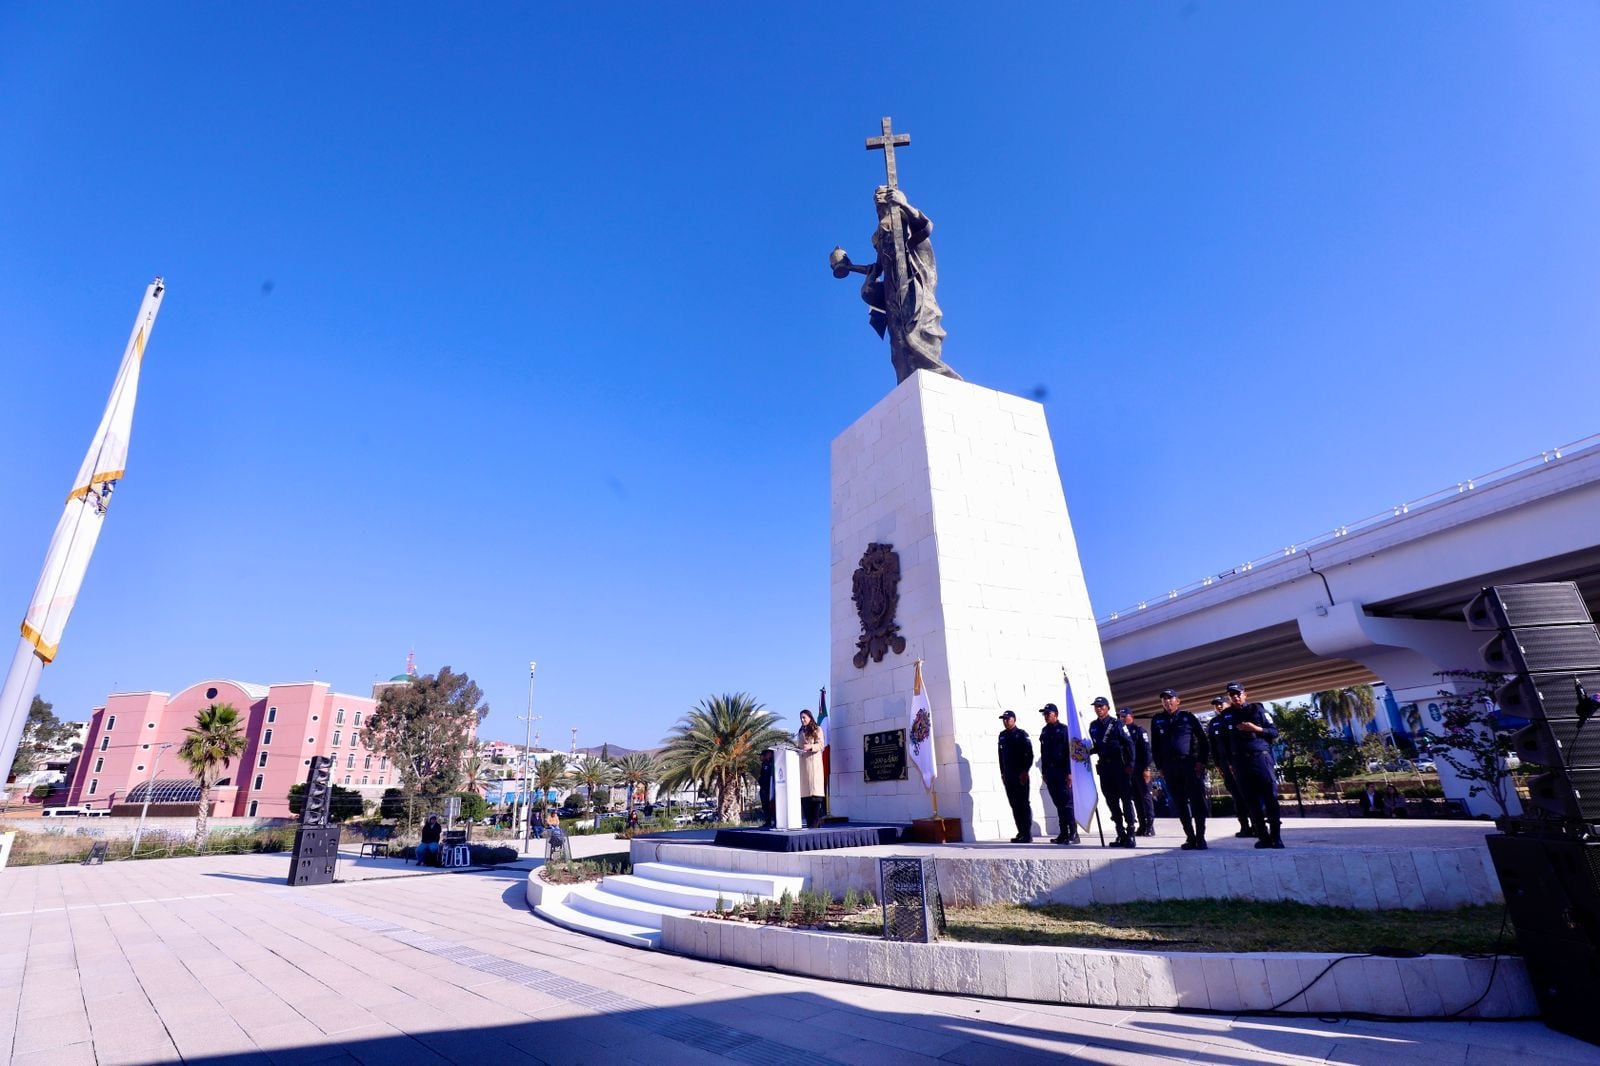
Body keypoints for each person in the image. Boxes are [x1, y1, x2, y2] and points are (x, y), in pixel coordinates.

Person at [850, 186, 962, 385]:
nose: (877, 197)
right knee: (899, 345)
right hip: (893, 291)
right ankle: (910, 381)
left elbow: (925, 226)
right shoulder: (882, 236)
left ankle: (939, 376)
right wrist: (850, 267)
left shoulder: (906, 223)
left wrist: (904, 204)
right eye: (876, 197)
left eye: (882, 195)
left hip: (913, 285)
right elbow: (877, 266)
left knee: (919, 330)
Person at [1222, 682, 1284, 849]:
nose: (1235, 696)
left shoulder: (1257, 710)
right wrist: (1229, 763)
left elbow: (1274, 732)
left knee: (1270, 798)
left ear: (1245, 694)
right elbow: (1224, 743)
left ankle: (1276, 837)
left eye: (1238, 693)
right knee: (1250, 801)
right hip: (1240, 762)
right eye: (1232, 694)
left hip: (1260, 759)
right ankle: (1263, 837)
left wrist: (1255, 728)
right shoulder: (1226, 715)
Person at [1149, 688, 1211, 850]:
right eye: (1164, 699)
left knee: (1197, 801)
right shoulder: (1157, 720)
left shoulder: (1188, 717)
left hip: (1189, 765)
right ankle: (1190, 837)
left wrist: (1201, 762)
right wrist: (1160, 766)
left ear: (1178, 701)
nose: (1167, 701)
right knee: (1179, 803)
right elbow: (1155, 746)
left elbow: (1203, 741)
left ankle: (1201, 837)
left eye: (1170, 698)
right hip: (1170, 767)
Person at [1088, 696, 1137, 847]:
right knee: (1111, 802)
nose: (1099, 709)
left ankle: (1130, 833)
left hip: (1119, 767)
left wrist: (1130, 764)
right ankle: (1120, 833)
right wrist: (1084, 751)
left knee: (1126, 801)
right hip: (1105, 768)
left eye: (1102, 706)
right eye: (1096, 706)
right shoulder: (1093, 726)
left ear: (1108, 708)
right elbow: (1098, 747)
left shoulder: (1117, 724)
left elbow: (1129, 744)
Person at [1205, 696, 1254, 838]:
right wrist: (1218, 764)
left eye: (1221, 704)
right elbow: (1213, 746)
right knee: (1237, 796)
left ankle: (1257, 825)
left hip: (1240, 762)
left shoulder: (1236, 717)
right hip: (1225, 764)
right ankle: (1244, 826)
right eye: (1216, 705)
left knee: (1248, 795)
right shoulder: (1214, 723)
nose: (1218, 707)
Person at [1037, 703, 1079, 845]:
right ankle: (1063, 833)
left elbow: (1069, 752)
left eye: (1048, 714)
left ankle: (1073, 833)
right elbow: (1043, 752)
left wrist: (1069, 772)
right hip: (1050, 772)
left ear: (1056, 714)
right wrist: (1044, 771)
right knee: (1058, 803)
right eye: (1045, 714)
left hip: (1062, 771)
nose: (1046, 716)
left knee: (1067, 803)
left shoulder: (1064, 730)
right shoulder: (1044, 731)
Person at [997, 710, 1035, 842]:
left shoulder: (1021, 734)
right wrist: (1002, 773)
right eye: (1004, 719)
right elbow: (1001, 757)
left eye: (1008, 719)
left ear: (1014, 720)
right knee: (1014, 804)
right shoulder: (1002, 736)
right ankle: (1021, 832)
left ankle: (1027, 833)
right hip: (1009, 776)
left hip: (1021, 776)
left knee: (1023, 804)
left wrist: (1025, 771)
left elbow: (1029, 755)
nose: (1006, 721)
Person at [1120, 708, 1155, 837]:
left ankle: (1150, 825)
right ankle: (1142, 825)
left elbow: (1146, 751)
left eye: (1125, 716)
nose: (1123, 718)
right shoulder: (1121, 732)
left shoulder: (1139, 731)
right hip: (1129, 771)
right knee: (1136, 798)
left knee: (1146, 796)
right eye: (1121, 716)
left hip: (1141, 769)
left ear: (1132, 716)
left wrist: (1147, 768)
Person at [796, 709, 825, 828]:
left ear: (810, 717)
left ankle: (815, 826)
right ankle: (810, 826)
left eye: (804, 717)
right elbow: (799, 746)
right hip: (803, 767)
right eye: (801, 718)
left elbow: (821, 744)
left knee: (815, 798)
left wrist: (811, 746)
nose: (802, 720)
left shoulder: (817, 729)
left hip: (813, 766)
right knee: (805, 800)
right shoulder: (800, 731)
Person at [758, 748, 777, 829]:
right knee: (765, 806)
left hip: (770, 788)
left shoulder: (772, 763)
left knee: (772, 805)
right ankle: (768, 821)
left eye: (762, 755)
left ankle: (775, 821)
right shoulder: (764, 764)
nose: (760, 757)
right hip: (764, 788)